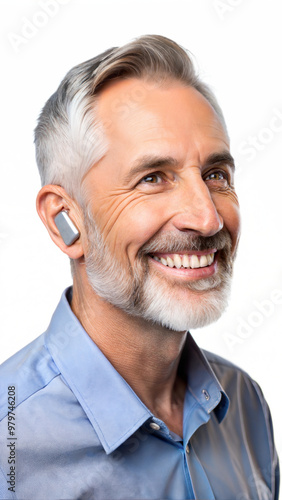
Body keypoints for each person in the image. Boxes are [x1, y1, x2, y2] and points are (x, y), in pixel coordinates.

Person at [0, 35, 279, 500]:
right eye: (153, 178)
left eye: (216, 175)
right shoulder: (11, 444)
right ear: (65, 221)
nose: (207, 218)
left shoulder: (246, 407)